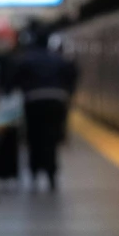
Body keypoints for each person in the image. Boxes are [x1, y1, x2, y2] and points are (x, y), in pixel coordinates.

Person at [13, 31, 80, 189]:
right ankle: (51, 173)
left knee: (34, 138)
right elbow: (72, 74)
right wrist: (67, 92)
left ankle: (34, 172)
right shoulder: (59, 59)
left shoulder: (27, 59)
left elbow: (15, 78)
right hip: (56, 100)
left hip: (33, 101)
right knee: (52, 138)